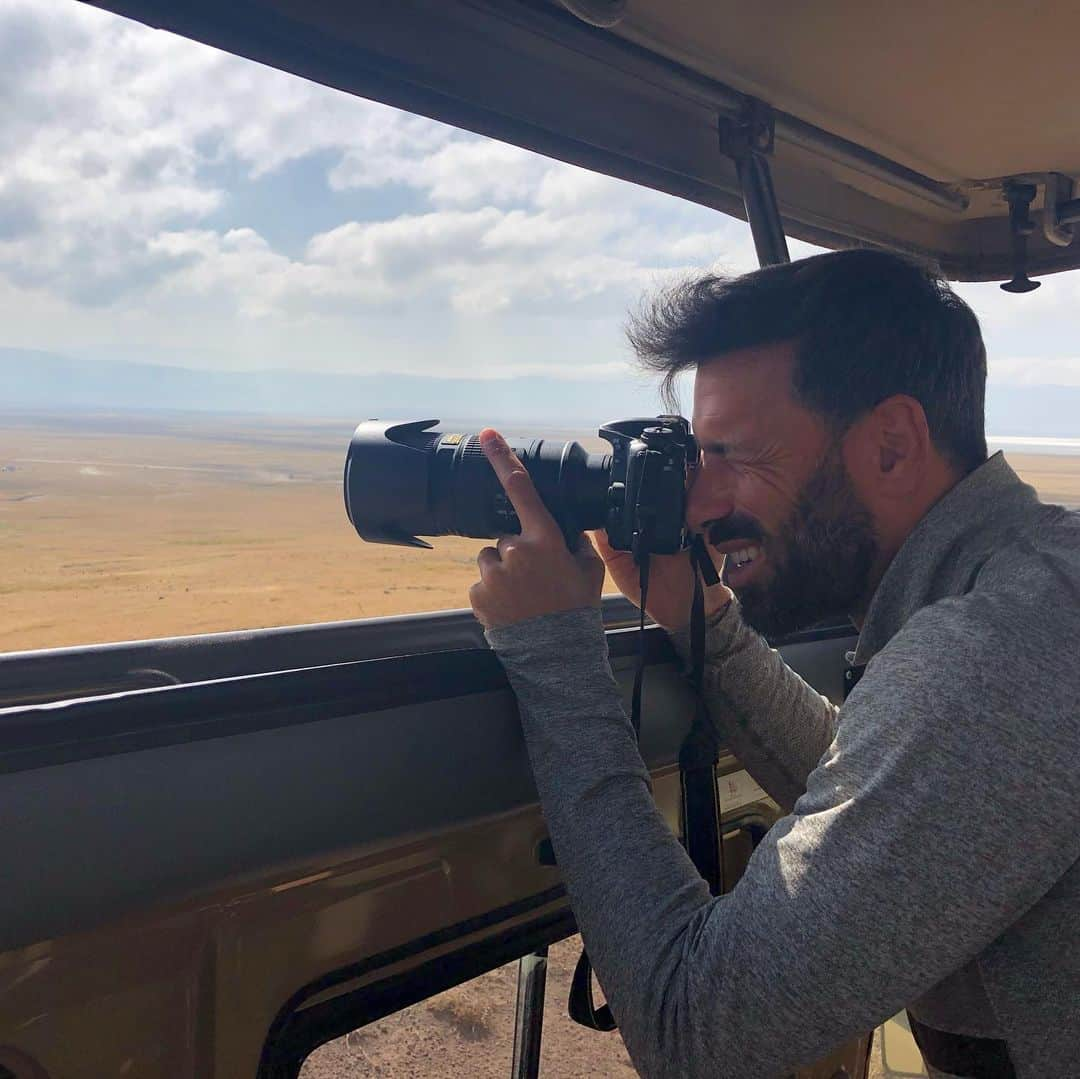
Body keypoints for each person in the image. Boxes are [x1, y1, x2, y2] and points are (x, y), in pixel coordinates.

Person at [467, 249, 1080, 1079]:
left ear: (892, 447)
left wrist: (554, 653)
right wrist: (705, 619)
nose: (700, 503)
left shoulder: (990, 656)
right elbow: (875, 792)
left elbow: (699, 1030)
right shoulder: (1026, 588)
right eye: (696, 458)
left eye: (738, 458)